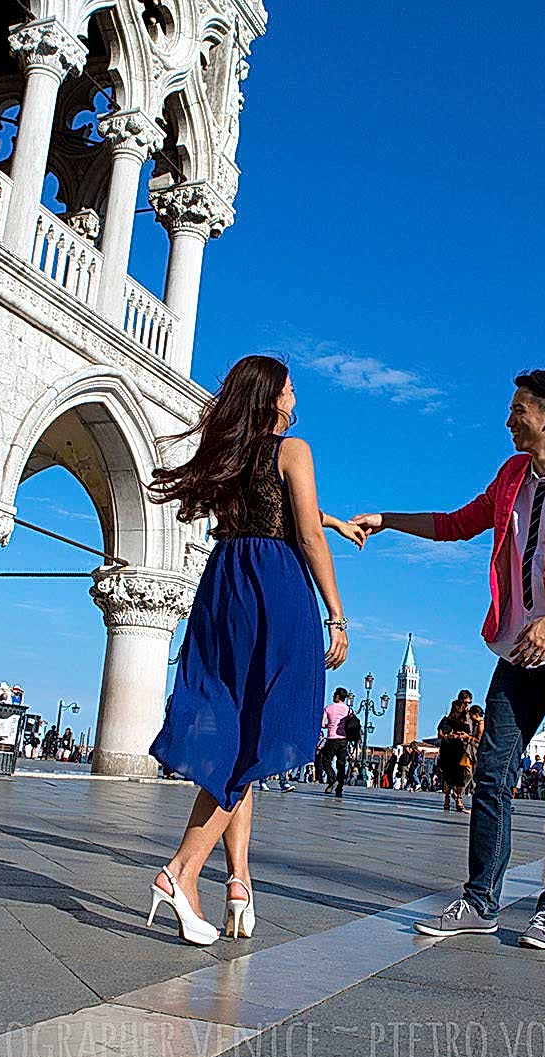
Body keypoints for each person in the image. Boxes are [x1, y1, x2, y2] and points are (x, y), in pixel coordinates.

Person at [358, 368, 545, 951]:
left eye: (519, 409)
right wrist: (387, 520)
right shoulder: (511, 475)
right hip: (515, 650)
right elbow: (458, 524)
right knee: (491, 772)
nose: (508, 419)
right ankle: (480, 899)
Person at [143, 354, 362, 946]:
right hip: (274, 585)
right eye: (290, 390)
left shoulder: (230, 454)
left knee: (238, 731)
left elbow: (292, 510)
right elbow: (303, 531)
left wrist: (332, 520)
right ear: (271, 399)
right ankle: (181, 872)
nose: (296, 399)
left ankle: (238, 879)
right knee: (256, 739)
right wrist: (337, 613)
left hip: (224, 586)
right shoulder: (295, 450)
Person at [437, 698, 477, 812]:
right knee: (448, 775)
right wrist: (449, 736)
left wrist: (464, 734)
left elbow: (472, 732)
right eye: (465, 703)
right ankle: (447, 798)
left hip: (460, 750)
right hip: (448, 749)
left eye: (468, 703)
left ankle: (458, 797)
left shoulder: (468, 718)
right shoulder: (447, 719)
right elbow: (440, 733)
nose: (466, 705)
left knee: (460, 775)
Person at [318, 688, 352, 797]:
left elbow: (322, 724)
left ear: (337, 696)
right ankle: (339, 789)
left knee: (326, 761)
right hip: (343, 740)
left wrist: (330, 725)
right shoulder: (349, 710)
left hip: (332, 738)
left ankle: (332, 779)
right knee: (341, 764)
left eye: (334, 694)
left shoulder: (328, 708)